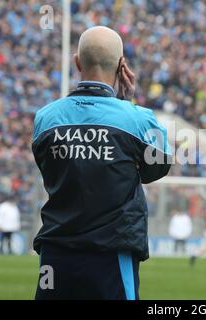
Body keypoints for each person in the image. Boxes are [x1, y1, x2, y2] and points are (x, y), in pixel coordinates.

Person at [32, 26, 171, 300]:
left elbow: (53, 169)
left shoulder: (45, 119)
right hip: (111, 254)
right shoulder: (140, 120)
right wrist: (125, 104)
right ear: (122, 66)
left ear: (77, 62)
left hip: (56, 253)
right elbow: (155, 169)